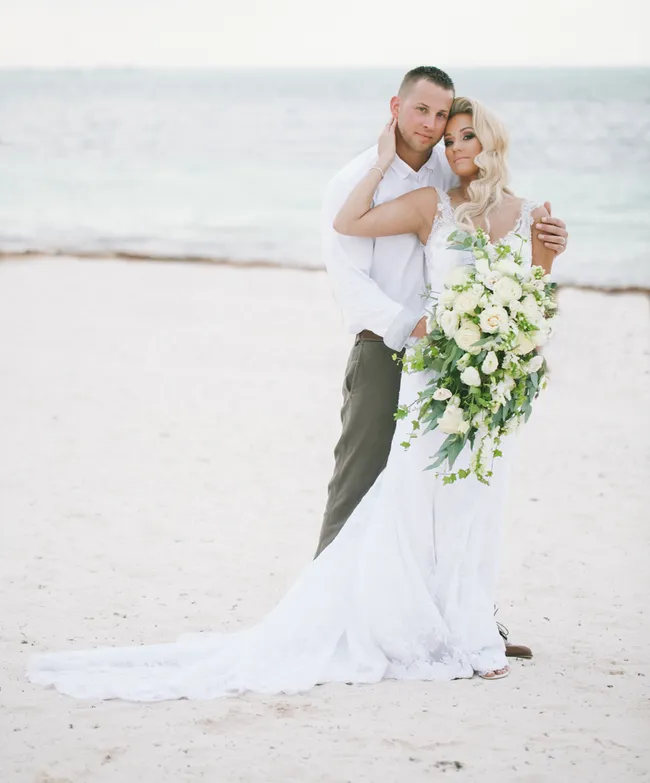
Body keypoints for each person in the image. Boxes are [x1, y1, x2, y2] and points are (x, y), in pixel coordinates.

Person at [27, 94, 562, 700]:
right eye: (450, 138)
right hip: (432, 373)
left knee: (478, 503)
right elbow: (348, 223)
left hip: (494, 381)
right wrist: (380, 161)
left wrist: (522, 333)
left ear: (492, 140)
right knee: (413, 499)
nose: (456, 146)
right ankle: (407, 625)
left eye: (468, 135)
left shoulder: (531, 215)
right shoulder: (430, 204)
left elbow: (536, 296)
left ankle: (473, 627)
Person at [316, 67, 567, 660]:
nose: (439, 133)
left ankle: (469, 618)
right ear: (396, 107)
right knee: (366, 485)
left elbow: (527, 285)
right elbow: (348, 267)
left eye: (452, 125)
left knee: (468, 498)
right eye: (425, 114)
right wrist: (417, 325)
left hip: (473, 366)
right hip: (388, 347)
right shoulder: (363, 179)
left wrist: (547, 253)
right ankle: (329, 617)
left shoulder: (448, 174)